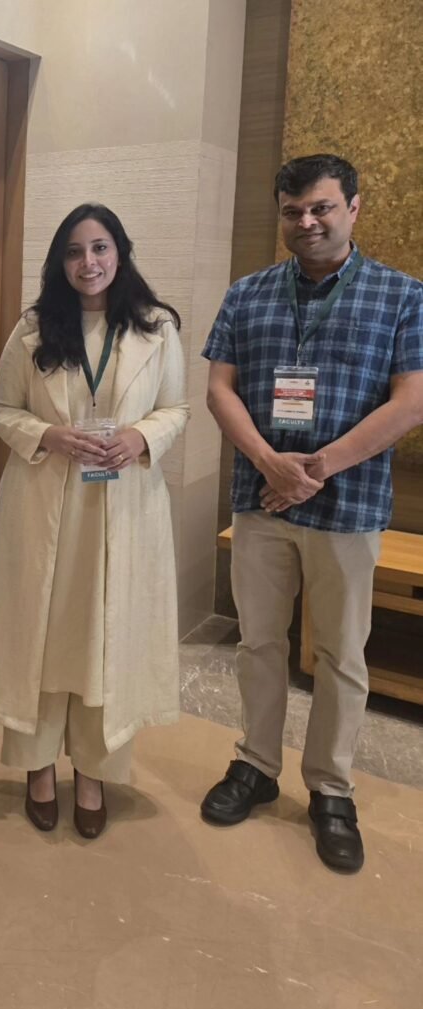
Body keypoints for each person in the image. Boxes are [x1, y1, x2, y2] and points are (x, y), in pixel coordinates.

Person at [200, 154, 423, 873]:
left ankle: (330, 789)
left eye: (322, 207)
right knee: (259, 643)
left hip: (349, 507)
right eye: (293, 210)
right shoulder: (247, 294)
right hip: (261, 501)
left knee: (341, 655)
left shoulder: (403, 296)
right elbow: (220, 389)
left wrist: (316, 468)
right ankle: (256, 765)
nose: (307, 222)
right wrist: (271, 463)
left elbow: (411, 402)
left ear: (353, 207)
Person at [0, 204, 189, 839]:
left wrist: (140, 437)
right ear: (60, 262)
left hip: (121, 505)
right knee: (43, 638)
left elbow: (176, 407)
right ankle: (38, 766)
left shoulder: (156, 327)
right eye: (74, 251)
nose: (88, 262)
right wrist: (49, 435)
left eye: (99, 248)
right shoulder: (34, 328)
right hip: (46, 505)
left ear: (120, 252)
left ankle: (94, 771)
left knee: (104, 636)